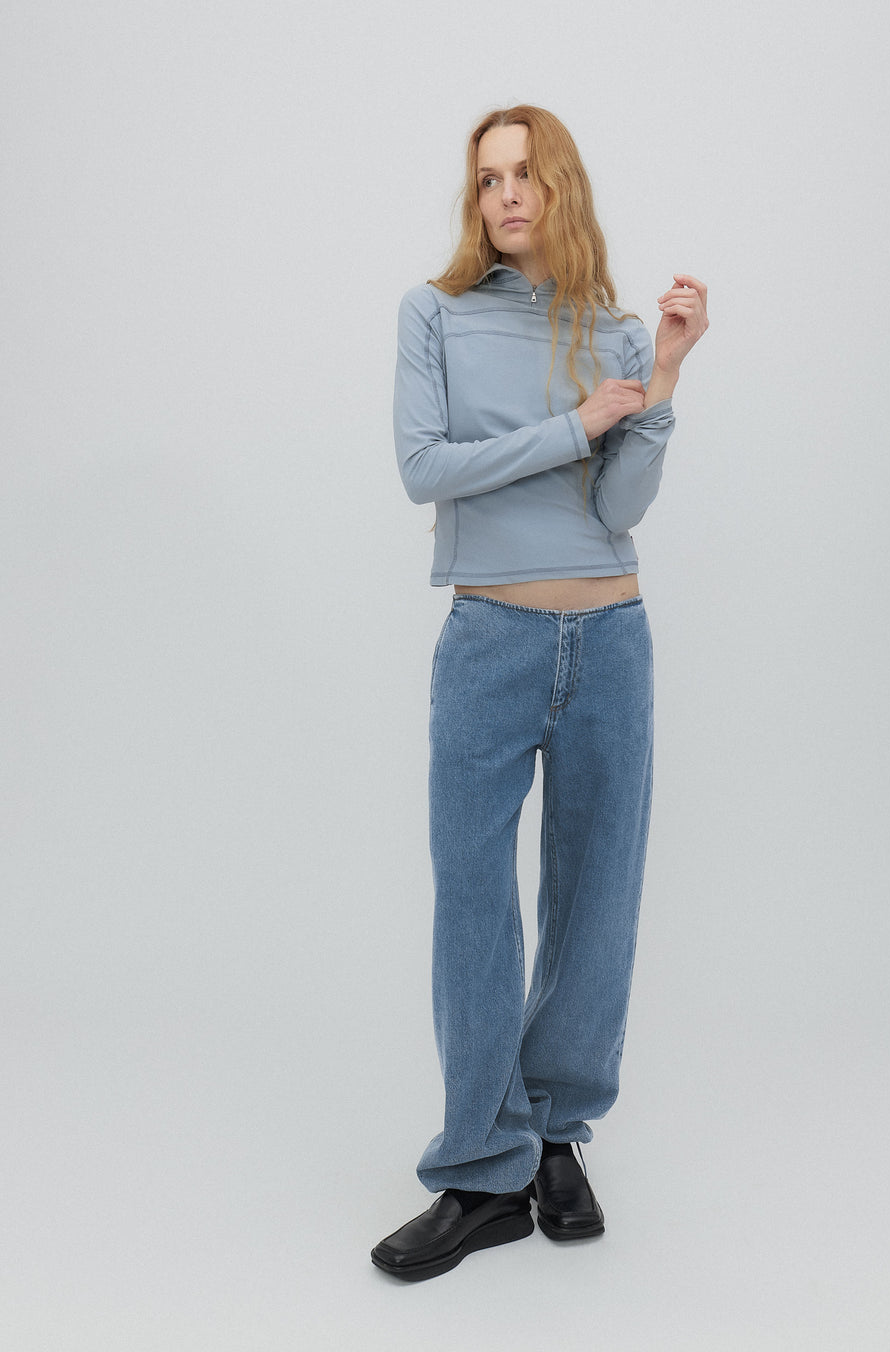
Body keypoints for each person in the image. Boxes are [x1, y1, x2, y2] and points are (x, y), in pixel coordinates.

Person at [371, 105, 708, 1282]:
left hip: (612, 638)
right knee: (474, 903)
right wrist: (577, 423)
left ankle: (555, 1130)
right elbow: (424, 468)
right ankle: (482, 1167)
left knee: (595, 897)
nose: (506, 195)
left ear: (560, 188)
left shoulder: (613, 334)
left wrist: (656, 379)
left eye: (526, 174)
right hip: (490, 636)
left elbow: (617, 513)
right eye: (487, 179)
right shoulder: (436, 315)